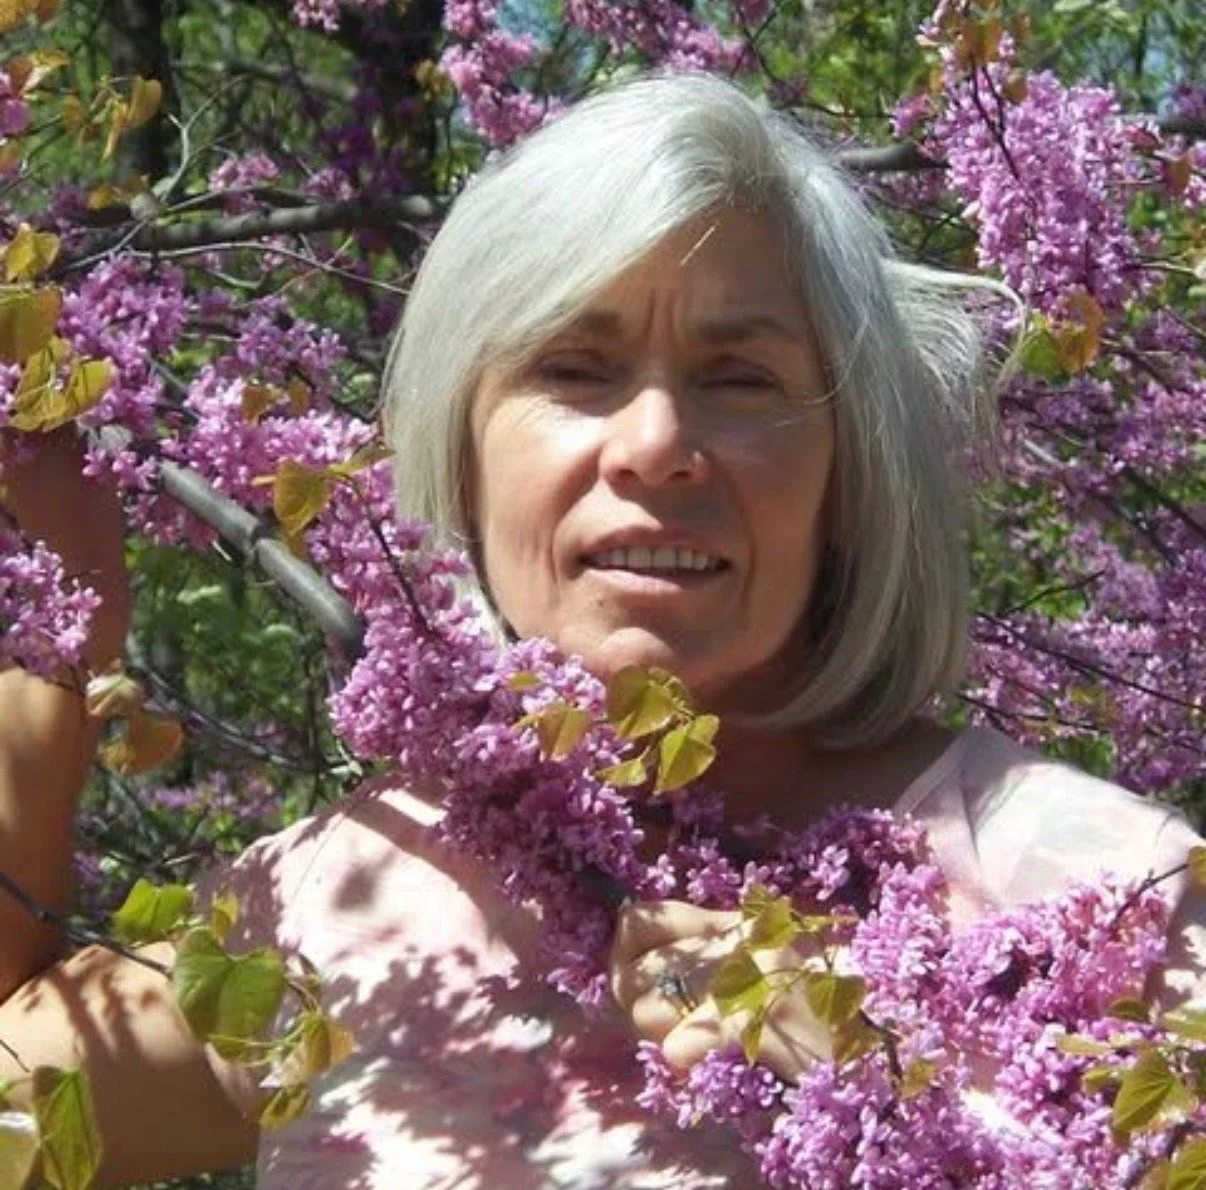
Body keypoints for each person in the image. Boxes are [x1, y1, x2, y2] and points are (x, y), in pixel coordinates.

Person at [0, 72, 1202, 1188]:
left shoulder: (1112, 894)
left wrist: (918, 1081)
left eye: (741, 379)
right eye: (573, 368)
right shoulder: (358, 887)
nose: (652, 445)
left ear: (849, 479)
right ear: (465, 465)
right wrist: (59, 631)